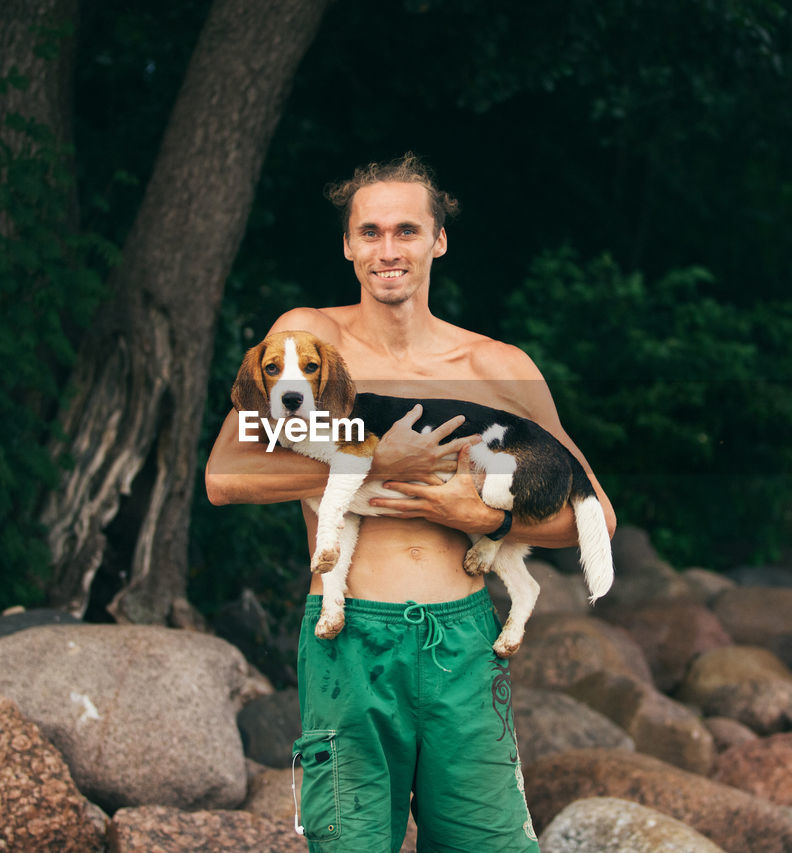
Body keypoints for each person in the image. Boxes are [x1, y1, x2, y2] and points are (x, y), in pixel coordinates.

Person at [205, 153, 616, 853]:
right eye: (369, 232)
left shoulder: (497, 364)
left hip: (463, 639)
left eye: (405, 230)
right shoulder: (310, 342)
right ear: (347, 244)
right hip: (348, 638)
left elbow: (595, 513)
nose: (387, 250)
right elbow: (225, 474)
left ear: (438, 240)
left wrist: (486, 518)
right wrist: (374, 461)